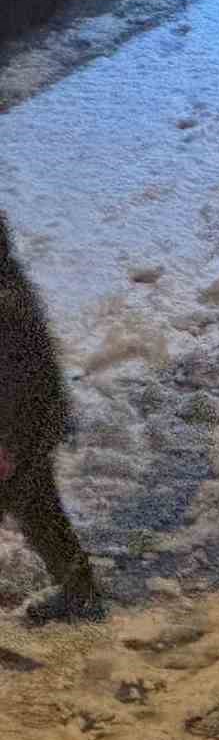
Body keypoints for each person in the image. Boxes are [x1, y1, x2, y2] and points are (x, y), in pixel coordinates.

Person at [0, 210, 104, 623]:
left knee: (38, 511)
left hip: (17, 429)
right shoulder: (8, 287)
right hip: (29, 424)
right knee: (39, 512)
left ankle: (82, 595)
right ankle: (82, 594)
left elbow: (17, 382)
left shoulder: (5, 306)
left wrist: (7, 444)